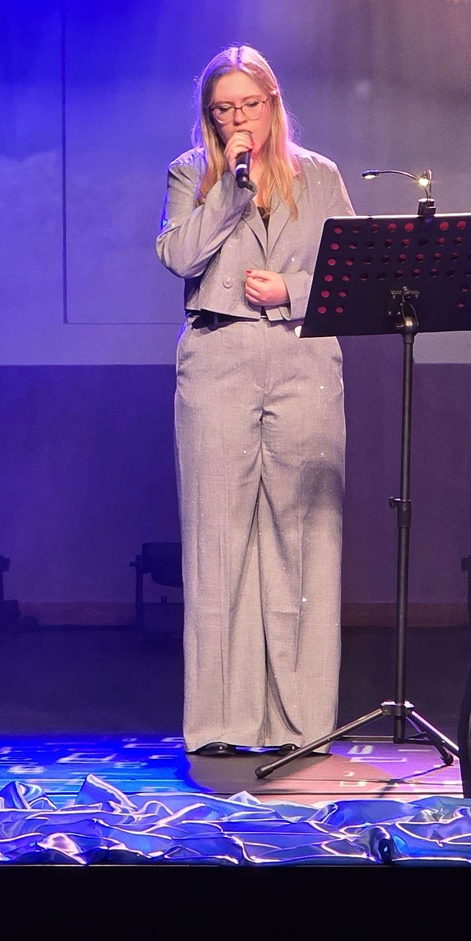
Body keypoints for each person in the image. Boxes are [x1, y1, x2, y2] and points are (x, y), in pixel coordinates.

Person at [156, 43, 353, 756]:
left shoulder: (319, 176)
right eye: (223, 110)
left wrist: (290, 289)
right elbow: (179, 256)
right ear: (210, 117)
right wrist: (229, 191)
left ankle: (302, 723)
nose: (238, 119)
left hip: (303, 355)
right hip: (219, 357)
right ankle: (221, 723)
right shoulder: (192, 174)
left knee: (304, 537)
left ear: (273, 103)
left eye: (249, 105)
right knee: (218, 538)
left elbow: (351, 273)